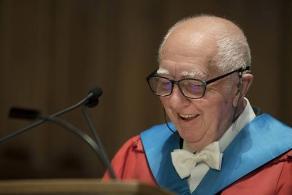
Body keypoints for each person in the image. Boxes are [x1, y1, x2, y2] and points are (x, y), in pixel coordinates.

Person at [104, 15, 292, 195]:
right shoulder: (137, 155)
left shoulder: (284, 163)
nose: (174, 102)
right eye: (165, 82)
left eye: (194, 85)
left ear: (239, 87)